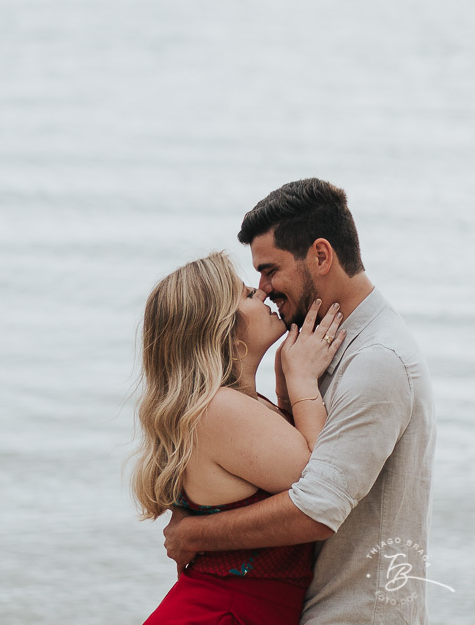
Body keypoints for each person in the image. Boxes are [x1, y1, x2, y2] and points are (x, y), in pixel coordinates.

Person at [163, 179, 436, 625]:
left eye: (270, 270)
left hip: (355, 613)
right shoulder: (312, 349)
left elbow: (317, 505)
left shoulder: (377, 360)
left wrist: (196, 533)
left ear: (321, 256)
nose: (263, 288)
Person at [134, 251, 345, 625]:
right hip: (224, 613)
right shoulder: (219, 408)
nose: (263, 293)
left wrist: (285, 392)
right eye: (248, 294)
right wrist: (302, 380)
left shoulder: (231, 405)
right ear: (224, 330)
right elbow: (320, 482)